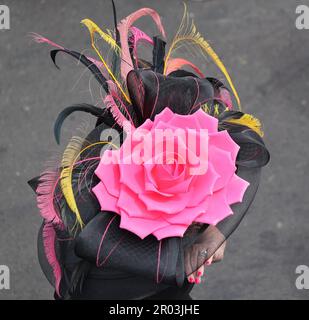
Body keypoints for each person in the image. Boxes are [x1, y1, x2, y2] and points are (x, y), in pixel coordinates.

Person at [28, 2, 269, 300]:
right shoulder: (104, 214)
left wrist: (210, 238)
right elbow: (246, 156)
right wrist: (208, 239)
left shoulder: (101, 162)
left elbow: (246, 155)